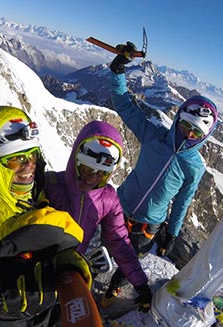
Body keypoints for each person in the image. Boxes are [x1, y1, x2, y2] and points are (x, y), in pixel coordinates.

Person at [0, 106, 91, 327]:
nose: (28, 167)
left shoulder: (29, 191)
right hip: (5, 310)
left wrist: (64, 259)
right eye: (16, 160)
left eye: (32, 157)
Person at [103, 43, 219, 302]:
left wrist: (172, 232)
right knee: (102, 246)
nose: (189, 134)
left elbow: (183, 200)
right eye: (187, 126)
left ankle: (113, 287)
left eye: (197, 133)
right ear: (178, 119)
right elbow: (125, 105)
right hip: (119, 206)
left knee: (129, 262)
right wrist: (118, 71)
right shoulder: (153, 135)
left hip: (148, 224)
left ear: (205, 136)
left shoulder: (194, 167)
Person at [44, 120, 152, 311]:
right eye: (87, 169)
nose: (91, 178)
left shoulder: (108, 198)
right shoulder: (51, 185)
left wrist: (140, 284)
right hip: (41, 270)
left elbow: (118, 242)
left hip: (75, 272)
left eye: (101, 174)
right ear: (76, 161)